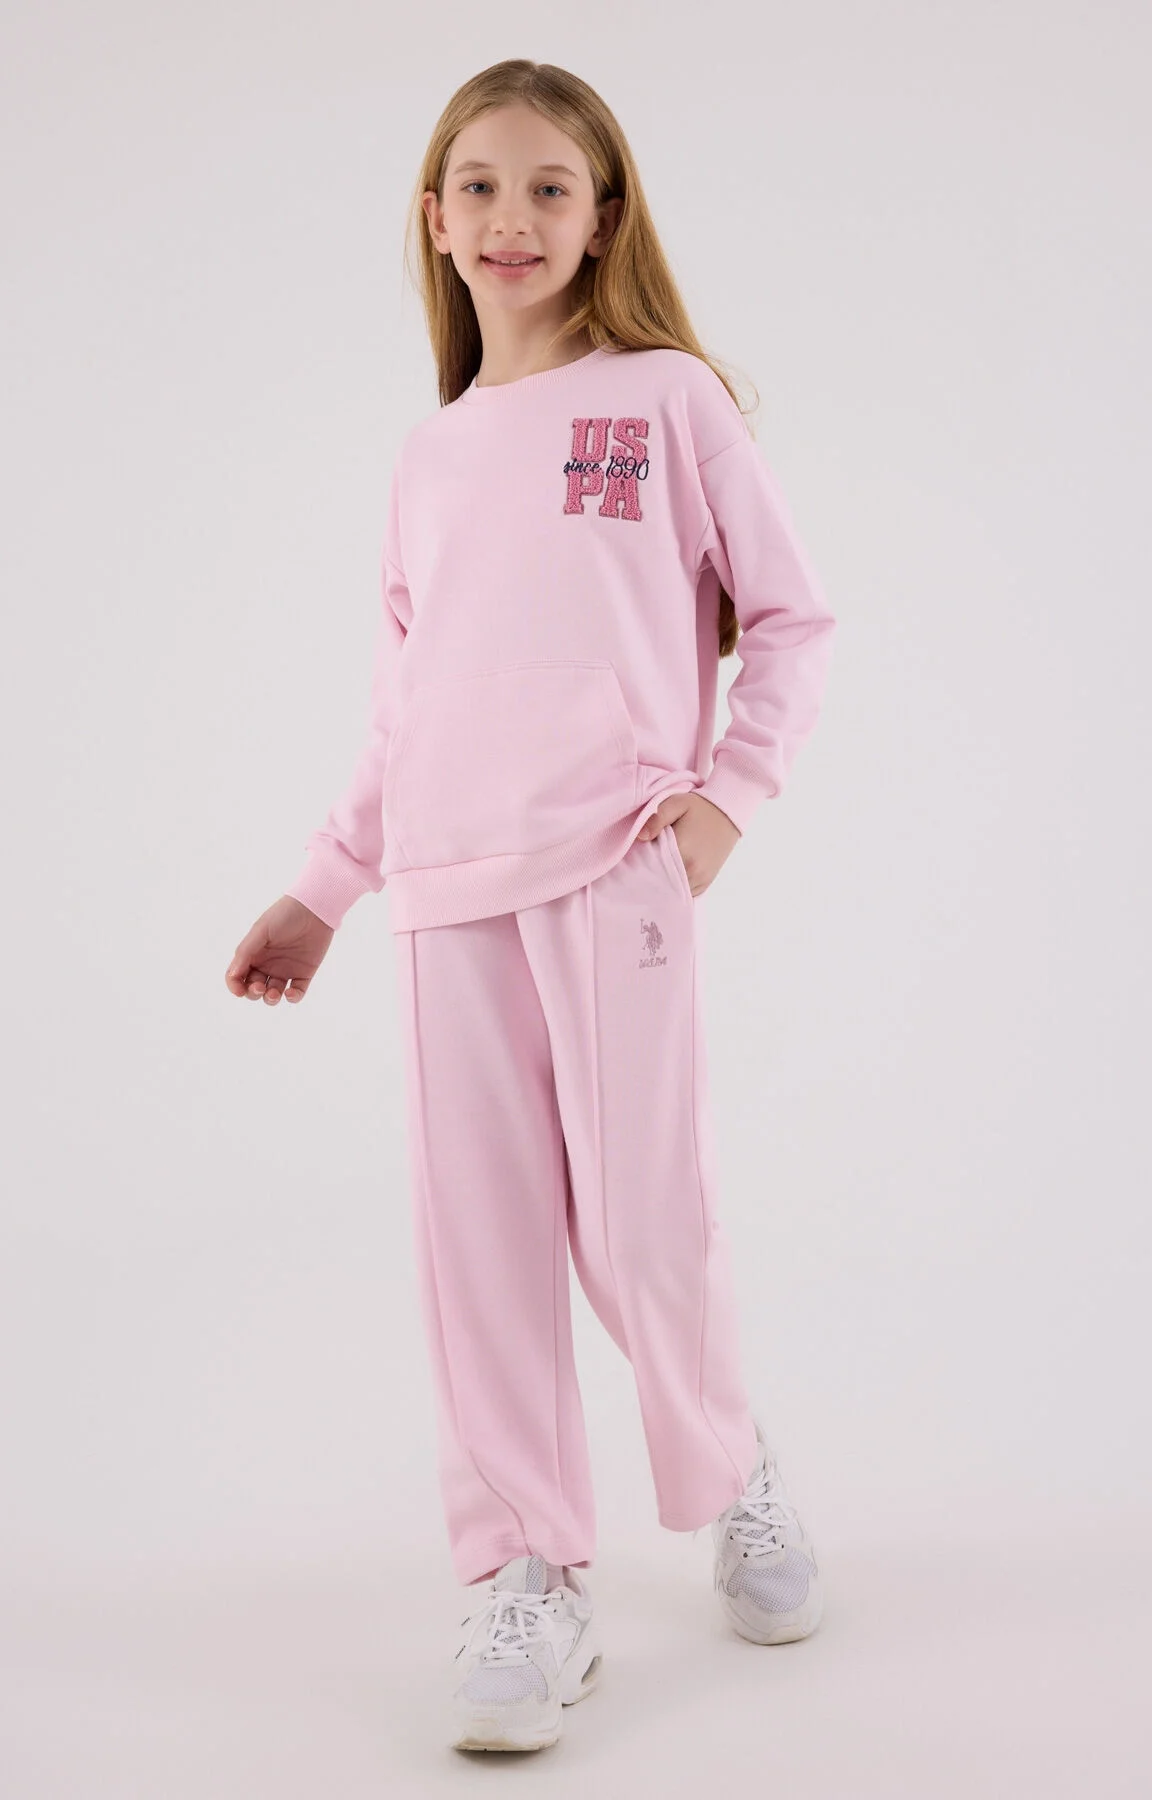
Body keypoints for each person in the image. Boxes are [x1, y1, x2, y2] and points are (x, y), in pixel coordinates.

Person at [226, 58, 837, 1754]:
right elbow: (404, 711)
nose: (512, 217)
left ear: (604, 215)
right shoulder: (428, 459)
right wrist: (323, 891)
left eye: (549, 187)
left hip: (616, 868)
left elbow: (794, 619)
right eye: (480, 187)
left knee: (643, 1226)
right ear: (434, 220)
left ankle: (731, 1470)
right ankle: (525, 1573)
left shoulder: (666, 403)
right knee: (479, 1245)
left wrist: (725, 801)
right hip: (445, 892)